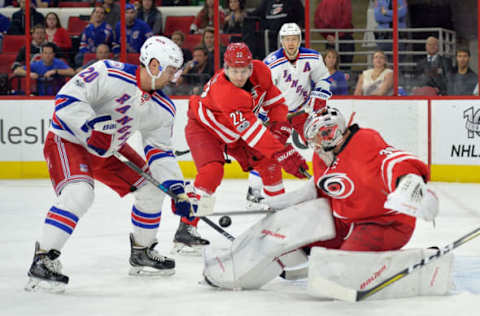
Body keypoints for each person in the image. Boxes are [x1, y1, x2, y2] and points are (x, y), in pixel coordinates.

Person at [24, 36, 197, 293]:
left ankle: (142, 251)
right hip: (69, 138)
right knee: (79, 193)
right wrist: (88, 130)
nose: (175, 78)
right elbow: (65, 100)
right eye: (171, 71)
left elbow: (159, 151)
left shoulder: (163, 107)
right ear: (153, 65)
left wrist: (176, 189)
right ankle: (44, 258)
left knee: (152, 188)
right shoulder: (107, 72)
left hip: (109, 150)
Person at [203, 106, 439, 290]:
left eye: (319, 136)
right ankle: (237, 266)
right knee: (293, 235)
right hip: (345, 221)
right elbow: (321, 188)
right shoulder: (323, 156)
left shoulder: (364, 142)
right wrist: (286, 203)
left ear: (332, 133)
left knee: (339, 271)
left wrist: (414, 187)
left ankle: (408, 264)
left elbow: (395, 162)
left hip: (384, 223)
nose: (314, 144)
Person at [178, 42, 309, 255]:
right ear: (226, 68)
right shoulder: (226, 92)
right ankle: (186, 228)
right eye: (234, 71)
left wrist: (280, 129)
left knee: (269, 164)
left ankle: (279, 221)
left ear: (251, 67)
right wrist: (284, 152)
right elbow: (254, 134)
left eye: (244, 70)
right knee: (212, 171)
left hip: (235, 131)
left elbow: (276, 104)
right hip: (205, 129)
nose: (239, 76)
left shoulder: (262, 72)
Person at [246, 23, 331, 202]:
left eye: (294, 39)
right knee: (267, 152)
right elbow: (263, 91)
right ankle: (253, 190)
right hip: (278, 114)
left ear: (299, 40)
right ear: (281, 41)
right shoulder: (271, 63)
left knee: (322, 144)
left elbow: (323, 78)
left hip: (303, 111)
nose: (290, 43)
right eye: (287, 39)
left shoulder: (313, 57)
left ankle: (330, 179)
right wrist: (262, 115)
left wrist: (319, 94)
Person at [314, 0, 355, 69]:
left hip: (329, 39)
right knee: (346, 67)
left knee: (329, 66)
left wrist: (326, 35)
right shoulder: (345, 1)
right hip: (344, 38)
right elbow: (346, 19)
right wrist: (337, 35)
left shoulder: (323, 2)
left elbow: (317, 20)